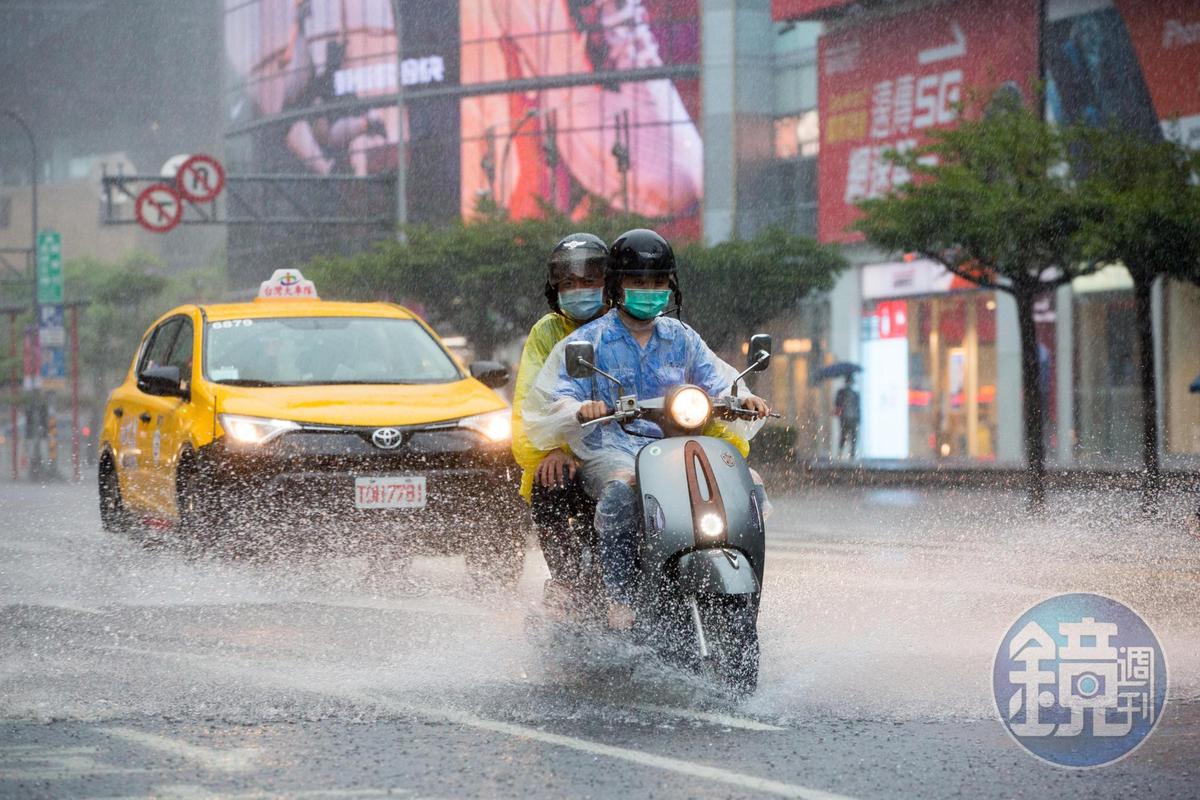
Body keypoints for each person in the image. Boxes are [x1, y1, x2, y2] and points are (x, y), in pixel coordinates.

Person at [523, 229, 769, 630]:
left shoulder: (682, 337)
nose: (649, 291)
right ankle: (621, 599)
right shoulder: (590, 340)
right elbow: (558, 394)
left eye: (657, 283)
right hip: (612, 448)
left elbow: (717, 380)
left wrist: (745, 400)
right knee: (622, 486)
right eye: (639, 283)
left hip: (677, 444)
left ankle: (747, 590)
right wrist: (580, 408)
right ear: (618, 287)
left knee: (749, 481)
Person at [511, 233, 610, 613]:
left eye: (589, 282)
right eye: (569, 284)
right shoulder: (546, 333)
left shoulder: (633, 326)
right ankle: (566, 581)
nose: (579, 291)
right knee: (549, 482)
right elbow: (529, 403)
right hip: (573, 456)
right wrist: (552, 449)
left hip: (632, 450)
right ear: (555, 290)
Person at [834, 374, 860, 459]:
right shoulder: (841, 393)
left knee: (853, 437)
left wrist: (858, 419)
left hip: (853, 418)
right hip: (845, 418)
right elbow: (837, 403)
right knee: (843, 436)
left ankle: (852, 454)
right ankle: (840, 453)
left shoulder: (855, 394)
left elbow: (858, 407)